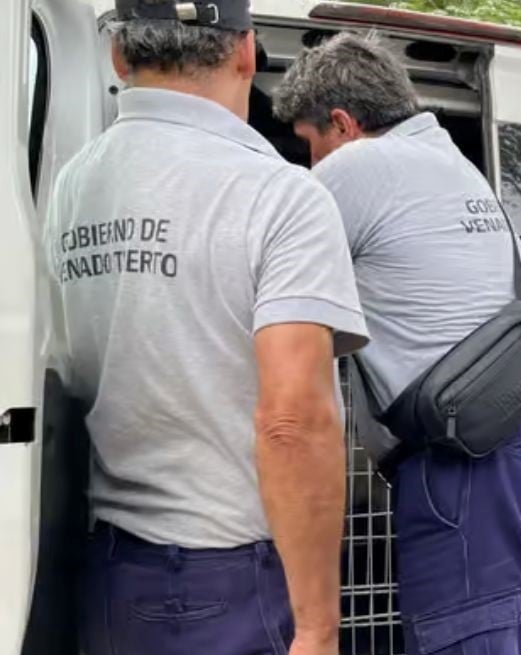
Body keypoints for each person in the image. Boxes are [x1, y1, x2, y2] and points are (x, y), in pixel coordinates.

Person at [43, 2, 369, 654]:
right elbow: (292, 421)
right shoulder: (281, 196)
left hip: (110, 577)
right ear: (246, 50)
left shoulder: (73, 186)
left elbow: (70, 370)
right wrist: (317, 628)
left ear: (119, 55)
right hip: (232, 583)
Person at [271, 33, 521, 655]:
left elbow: (261, 279)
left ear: (343, 124)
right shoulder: (452, 166)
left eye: (309, 144)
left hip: (464, 473)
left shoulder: (355, 167)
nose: (312, 163)